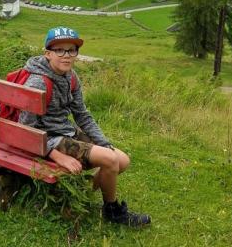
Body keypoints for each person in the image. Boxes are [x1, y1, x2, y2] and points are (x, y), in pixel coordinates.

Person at [19, 27, 151, 227]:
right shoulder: (38, 82)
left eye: (72, 50)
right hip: (48, 140)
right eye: (60, 50)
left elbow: (82, 115)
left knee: (122, 160)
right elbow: (26, 129)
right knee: (109, 160)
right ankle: (112, 211)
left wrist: (102, 142)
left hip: (66, 132)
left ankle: (78, 195)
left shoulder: (71, 77)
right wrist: (56, 155)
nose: (66, 56)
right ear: (47, 53)